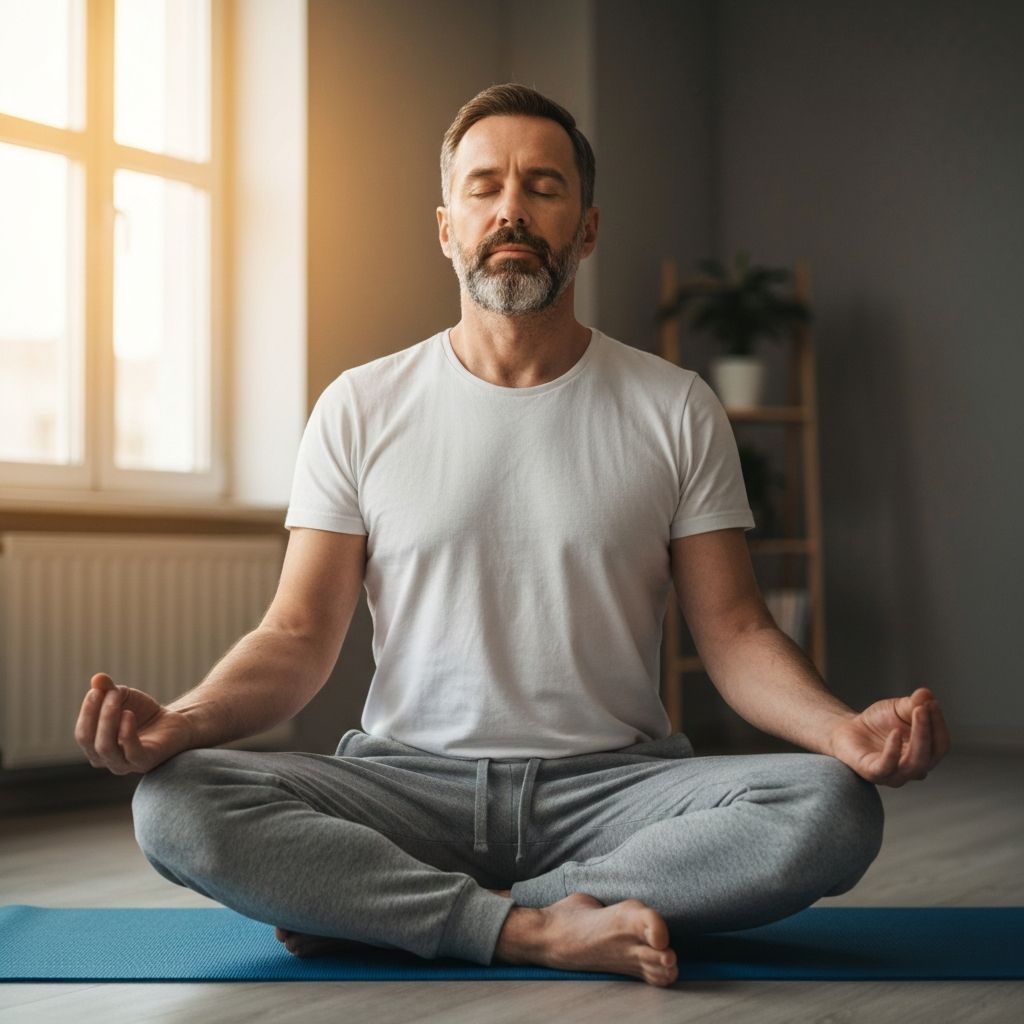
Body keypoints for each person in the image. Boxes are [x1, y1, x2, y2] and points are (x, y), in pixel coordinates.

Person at [75, 83, 950, 989]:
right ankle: (537, 927)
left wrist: (843, 731)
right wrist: (181, 722)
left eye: (544, 186)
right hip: (406, 788)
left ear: (587, 225)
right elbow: (297, 640)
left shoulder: (674, 407)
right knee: (175, 802)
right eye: (486, 186)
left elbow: (735, 636)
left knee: (833, 810)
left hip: (612, 792)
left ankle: (410, 911)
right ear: (448, 226)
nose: (513, 210)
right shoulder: (361, 406)